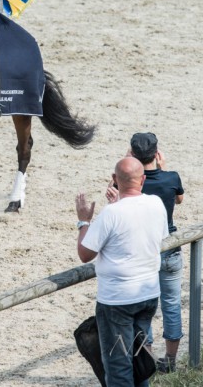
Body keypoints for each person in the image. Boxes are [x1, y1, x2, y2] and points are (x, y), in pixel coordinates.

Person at [76, 156, 168, 386]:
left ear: (115, 180)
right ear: (143, 179)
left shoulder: (111, 214)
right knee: (140, 357)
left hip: (117, 301)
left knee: (119, 367)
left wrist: (83, 222)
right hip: (147, 295)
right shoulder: (156, 204)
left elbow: (85, 254)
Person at [106, 132, 185, 373]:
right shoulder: (171, 178)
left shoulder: (127, 183)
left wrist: (125, 165)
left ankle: (147, 358)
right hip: (169, 248)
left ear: (132, 154)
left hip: (142, 251)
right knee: (171, 304)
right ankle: (170, 360)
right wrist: (164, 168)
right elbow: (179, 199)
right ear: (157, 153)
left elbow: (115, 196)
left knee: (143, 306)